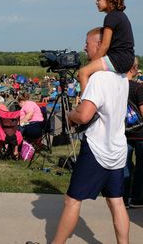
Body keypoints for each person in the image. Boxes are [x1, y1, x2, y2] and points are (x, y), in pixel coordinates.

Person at [51, 27, 129, 244]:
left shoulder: (99, 78)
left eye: (88, 42)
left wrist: (69, 115)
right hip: (117, 148)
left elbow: (85, 116)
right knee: (116, 202)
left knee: (72, 201)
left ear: (101, 45)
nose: (84, 46)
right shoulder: (121, 77)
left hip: (97, 148)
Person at [79, 0, 135, 94]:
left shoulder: (111, 17)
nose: (97, 2)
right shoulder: (121, 15)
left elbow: (104, 45)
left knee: (83, 72)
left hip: (118, 58)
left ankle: (85, 102)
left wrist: (91, 64)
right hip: (128, 58)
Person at [124, 57, 143, 208]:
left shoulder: (116, 87)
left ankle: (122, 198)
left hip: (122, 132)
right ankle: (136, 198)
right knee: (141, 166)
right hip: (140, 132)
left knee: (124, 166)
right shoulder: (138, 87)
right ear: (133, 68)